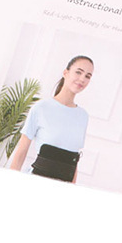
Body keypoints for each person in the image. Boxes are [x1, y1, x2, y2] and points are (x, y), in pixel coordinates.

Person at [9, 55, 94, 183]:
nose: (82, 79)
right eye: (78, 72)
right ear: (65, 73)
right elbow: (21, 151)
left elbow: (74, 161)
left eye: (88, 76)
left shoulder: (83, 116)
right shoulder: (41, 108)